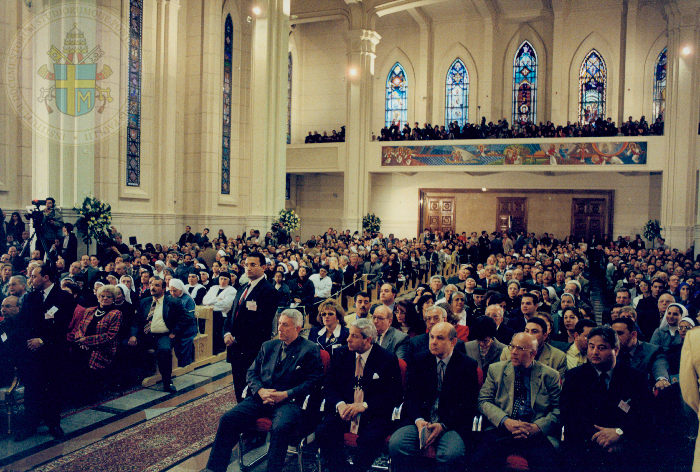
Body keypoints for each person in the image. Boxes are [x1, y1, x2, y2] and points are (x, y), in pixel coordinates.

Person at [205, 310, 323, 472]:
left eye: (285, 325)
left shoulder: (309, 349)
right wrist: (260, 391)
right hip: (262, 397)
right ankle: (215, 469)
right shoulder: (268, 346)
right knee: (228, 419)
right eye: (279, 323)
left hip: (289, 402)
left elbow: (314, 381)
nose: (279, 328)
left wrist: (286, 394)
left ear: (298, 328)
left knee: (280, 428)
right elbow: (251, 372)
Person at [388, 322, 479, 472]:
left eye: (440, 338)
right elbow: (411, 396)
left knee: (451, 454)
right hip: (420, 421)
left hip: (450, 424)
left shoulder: (467, 365)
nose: (433, 342)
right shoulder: (419, 360)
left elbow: (468, 404)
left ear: (453, 342)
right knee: (397, 444)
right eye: (432, 337)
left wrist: (443, 425)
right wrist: (418, 420)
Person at [561, 326, 652, 472]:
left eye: (601, 348)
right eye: (591, 347)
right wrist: (603, 440)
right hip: (587, 446)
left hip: (623, 445)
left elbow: (645, 417)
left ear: (616, 350)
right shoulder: (575, 376)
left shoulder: (636, 378)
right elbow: (569, 416)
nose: (595, 352)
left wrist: (620, 433)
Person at [316, 318, 402, 472]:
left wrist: (364, 405)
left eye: (354, 336)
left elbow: (394, 395)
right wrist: (340, 404)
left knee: (370, 440)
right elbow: (328, 386)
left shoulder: (387, 359)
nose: (348, 339)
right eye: (349, 334)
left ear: (368, 339)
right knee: (324, 431)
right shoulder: (341, 354)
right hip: (344, 411)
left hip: (372, 414)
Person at [474, 332, 562, 472]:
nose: (513, 352)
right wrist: (505, 420)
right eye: (512, 346)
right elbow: (483, 401)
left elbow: (559, 409)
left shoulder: (550, 375)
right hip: (501, 429)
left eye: (520, 348)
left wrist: (537, 427)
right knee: (478, 461)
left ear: (533, 353)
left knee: (549, 464)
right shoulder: (496, 370)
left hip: (534, 432)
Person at [14, 265, 74, 441]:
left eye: (34, 276)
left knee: (53, 388)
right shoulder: (29, 297)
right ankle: (30, 425)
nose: (30, 280)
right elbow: (23, 323)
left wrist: (42, 340)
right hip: (32, 352)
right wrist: (30, 341)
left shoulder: (64, 297)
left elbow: (63, 324)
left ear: (45, 277)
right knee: (32, 389)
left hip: (53, 350)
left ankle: (53, 424)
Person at [224, 251, 280, 401]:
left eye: (253, 265)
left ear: (263, 267)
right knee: (238, 384)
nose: (248, 268)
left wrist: (237, 337)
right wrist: (226, 333)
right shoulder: (242, 288)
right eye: (246, 265)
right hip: (235, 347)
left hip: (252, 348)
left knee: (251, 387)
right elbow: (231, 314)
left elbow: (261, 323)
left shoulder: (269, 291)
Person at [132, 277, 188, 392]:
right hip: (146, 335)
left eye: (157, 285)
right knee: (126, 345)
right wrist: (133, 335)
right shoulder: (144, 302)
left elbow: (186, 318)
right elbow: (136, 321)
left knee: (164, 351)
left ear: (163, 288)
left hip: (163, 335)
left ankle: (167, 382)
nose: (153, 287)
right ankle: (131, 380)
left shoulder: (173, 302)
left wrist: (175, 332)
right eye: (151, 284)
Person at [66, 284, 123, 400]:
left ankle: (87, 396)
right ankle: (74, 395)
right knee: (72, 363)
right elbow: (80, 327)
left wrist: (86, 341)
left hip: (103, 349)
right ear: (98, 297)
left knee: (89, 367)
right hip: (82, 345)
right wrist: (81, 341)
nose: (105, 298)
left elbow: (110, 336)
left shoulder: (116, 313)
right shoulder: (89, 310)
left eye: (108, 297)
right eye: (102, 296)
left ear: (113, 299)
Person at [612, 317, 670, 391]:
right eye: (613, 334)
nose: (615, 338)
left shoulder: (653, 351)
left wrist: (661, 379)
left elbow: (659, 365)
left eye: (619, 333)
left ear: (633, 334)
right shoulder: (611, 352)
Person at [202, 271, 237, 354]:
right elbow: (204, 300)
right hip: (210, 314)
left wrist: (210, 304)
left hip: (223, 316)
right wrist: (217, 300)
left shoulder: (232, 290)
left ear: (229, 280)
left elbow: (226, 305)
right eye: (221, 279)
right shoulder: (213, 288)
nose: (222, 281)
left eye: (225, 279)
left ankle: (218, 350)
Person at [167, 278, 199, 367]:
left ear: (180, 289)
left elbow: (188, 318)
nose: (172, 293)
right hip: (174, 327)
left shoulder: (188, 299)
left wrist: (175, 331)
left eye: (175, 291)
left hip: (187, 327)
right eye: (170, 291)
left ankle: (183, 364)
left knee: (181, 340)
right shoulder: (169, 298)